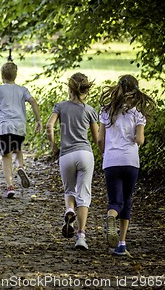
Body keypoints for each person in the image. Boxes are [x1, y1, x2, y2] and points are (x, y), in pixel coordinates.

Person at [98, 75, 155, 255]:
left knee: (115, 201)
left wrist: (104, 153)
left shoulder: (106, 110)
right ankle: (121, 244)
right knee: (127, 201)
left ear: (118, 88)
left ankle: (110, 217)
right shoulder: (138, 112)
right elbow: (139, 140)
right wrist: (137, 138)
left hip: (111, 161)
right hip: (130, 162)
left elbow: (100, 139)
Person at [46, 72, 99, 250]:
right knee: (84, 196)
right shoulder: (90, 110)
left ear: (69, 88)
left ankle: (69, 210)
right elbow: (96, 137)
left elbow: (49, 125)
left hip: (66, 155)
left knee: (69, 190)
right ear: (86, 90)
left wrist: (54, 146)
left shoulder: (60, 106)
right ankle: (81, 236)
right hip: (85, 154)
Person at [0, 62, 42, 198]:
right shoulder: (22, 90)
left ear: (2, 75)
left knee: (6, 156)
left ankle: (10, 186)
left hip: (5, 127)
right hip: (19, 126)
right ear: (15, 75)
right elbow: (33, 101)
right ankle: (21, 167)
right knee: (18, 150)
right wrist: (38, 120)